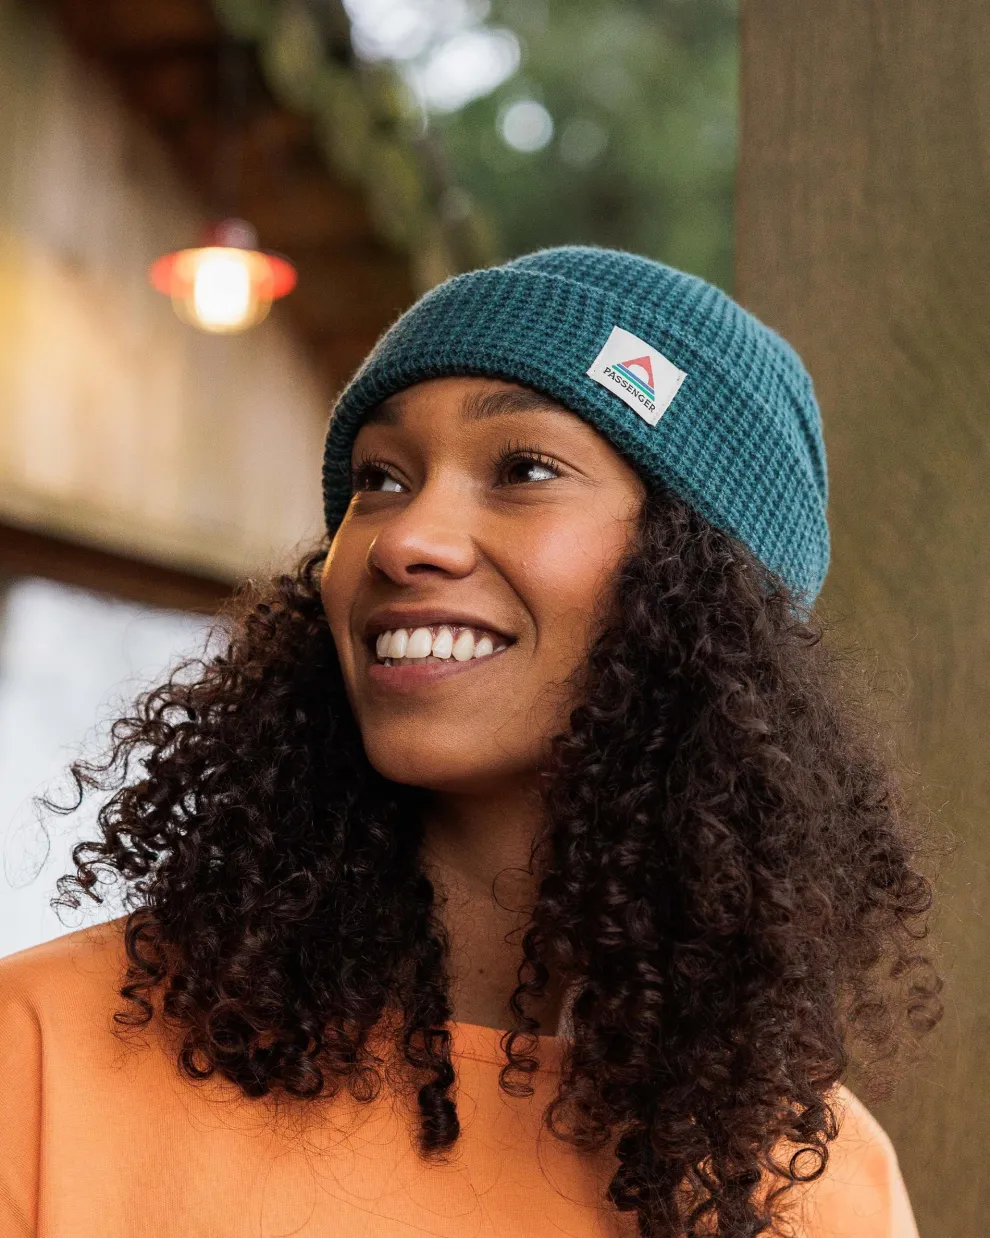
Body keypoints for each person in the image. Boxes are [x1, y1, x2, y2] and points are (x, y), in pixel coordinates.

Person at [0, 246, 940, 1237]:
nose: (402, 538)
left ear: (702, 594)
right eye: (379, 478)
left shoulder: (813, 1188)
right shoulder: (42, 1058)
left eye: (525, 469)